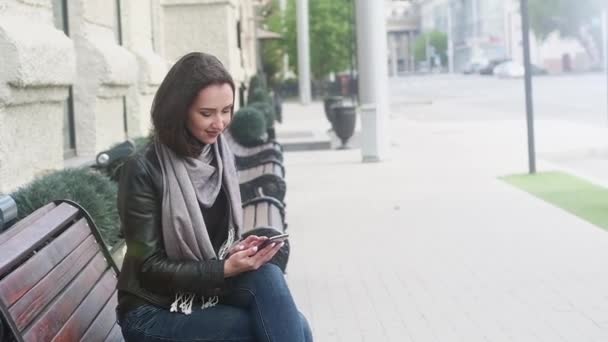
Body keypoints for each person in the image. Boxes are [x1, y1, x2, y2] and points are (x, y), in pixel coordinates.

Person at [115, 52, 312, 341]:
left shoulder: (218, 155)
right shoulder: (143, 169)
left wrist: (236, 252)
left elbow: (210, 246)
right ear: (179, 110)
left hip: (203, 291)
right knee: (256, 331)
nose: (219, 124)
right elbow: (148, 268)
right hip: (152, 310)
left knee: (275, 287)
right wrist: (223, 269)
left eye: (226, 110)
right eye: (206, 113)